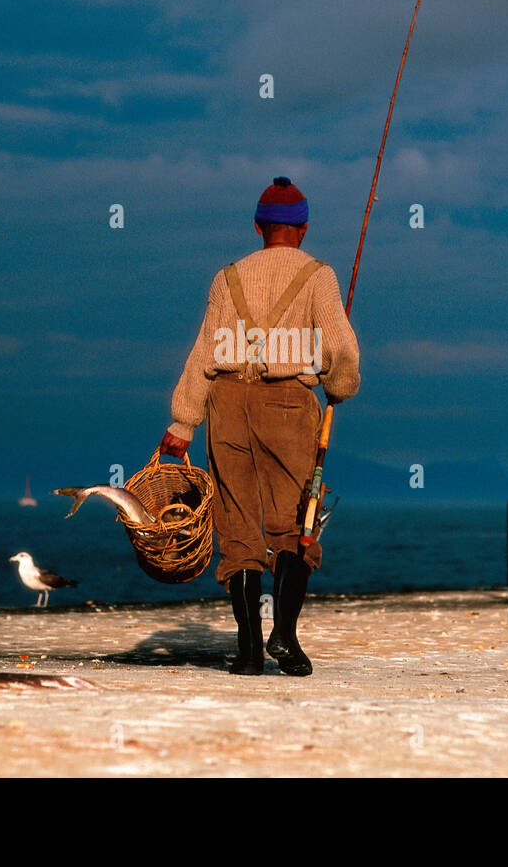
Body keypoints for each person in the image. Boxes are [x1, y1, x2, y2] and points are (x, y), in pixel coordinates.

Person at [160, 177, 360, 675]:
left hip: (226, 406)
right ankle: (285, 638)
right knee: (298, 524)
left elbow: (205, 353)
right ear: (304, 228)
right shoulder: (319, 276)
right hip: (289, 408)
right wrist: (339, 385)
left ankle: (248, 653)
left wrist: (183, 422)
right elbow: (341, 351)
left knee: (238, 529)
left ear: (257, 226)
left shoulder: (226, 277)